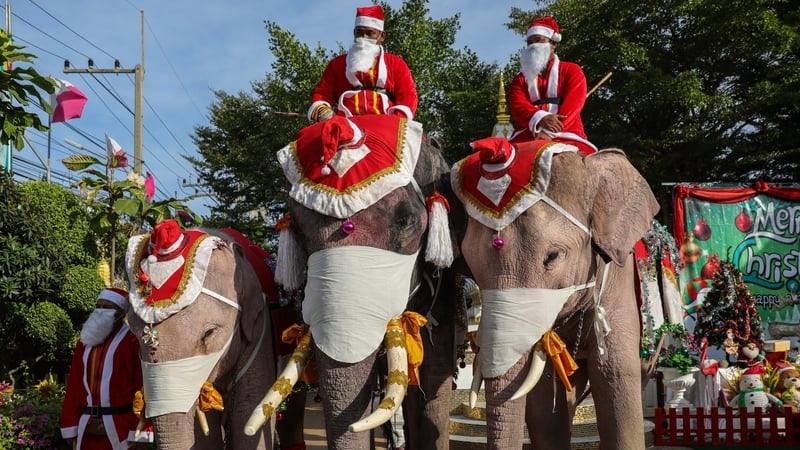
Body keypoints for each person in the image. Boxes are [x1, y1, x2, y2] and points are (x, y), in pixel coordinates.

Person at [60, 288, 151, 449]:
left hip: (121, 428)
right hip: (86, 428)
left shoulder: (132, 341)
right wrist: (70, 425)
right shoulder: (85, 342)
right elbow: (74, 386)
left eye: (107, 308)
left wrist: (139, 431)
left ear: (121, 313)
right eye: (98, 306)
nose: (100, 311)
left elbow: (141, 388)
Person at [307, 5, 418, 122]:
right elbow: (322, 93)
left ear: (382, 36)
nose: (363, 38)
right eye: (359, 33)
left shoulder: (396, 63)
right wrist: (323, 111)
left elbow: (408, 96)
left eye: (369, 33)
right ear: (354, 33)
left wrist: (396, 120)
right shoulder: (337, 64)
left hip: (386, 122)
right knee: (305, 138)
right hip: (344, 122)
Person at [508, 16, 597, 156]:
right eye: (529, 42)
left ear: (554, 43)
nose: (533, 46)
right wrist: (540, 118)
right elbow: (517, 105)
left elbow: (574, 105)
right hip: (528, 131)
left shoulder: (572, 70)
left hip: (566, 130)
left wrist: (549, 132)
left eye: (538, 40)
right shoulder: (519, 79)